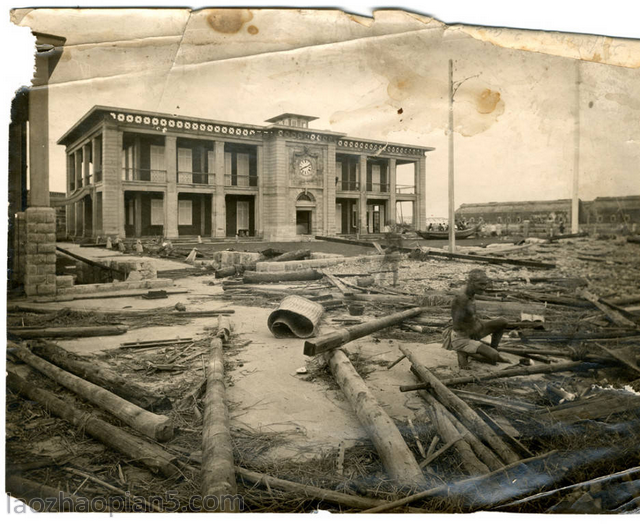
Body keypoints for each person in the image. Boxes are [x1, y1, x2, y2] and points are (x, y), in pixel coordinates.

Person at [442, 269, 511, 369]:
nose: (484, 287)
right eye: (481, 284)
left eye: (485, 284)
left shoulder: (471, 295)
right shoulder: (462, 298)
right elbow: (457, 325)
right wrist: (472, 330)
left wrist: (478, 325)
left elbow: (470, 317)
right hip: (462, 337)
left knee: (502, 322)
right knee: (494, 357)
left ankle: (491, 350)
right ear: (470, 282)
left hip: (474, 331)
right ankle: (464, 352)